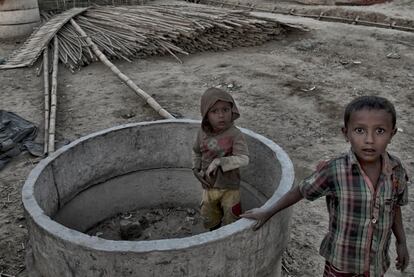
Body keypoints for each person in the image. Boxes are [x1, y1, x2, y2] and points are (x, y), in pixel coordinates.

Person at [241, 96, 409, 276]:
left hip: (376, 263)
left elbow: (394, 207)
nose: (369, 139)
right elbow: (301, 191)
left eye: (380, 131)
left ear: (392, 134)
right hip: (341, 262)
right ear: (346, 133)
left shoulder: (396, 170)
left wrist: (401, 242)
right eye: (360, 130)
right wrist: (268, 211)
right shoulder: (335, 170)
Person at [192, 87, 249, 231]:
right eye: (214, 111)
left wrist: (219, 162)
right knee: (210, 218)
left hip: (230, 188)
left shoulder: (235, 134)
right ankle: (214, 235)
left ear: (232, 110)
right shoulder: (202, 132)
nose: (221, 115)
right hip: (209, 187)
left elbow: (243, 159)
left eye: (225, 110)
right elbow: (196, 152)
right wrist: (195, 168)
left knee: (232, 220)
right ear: (206, 114)